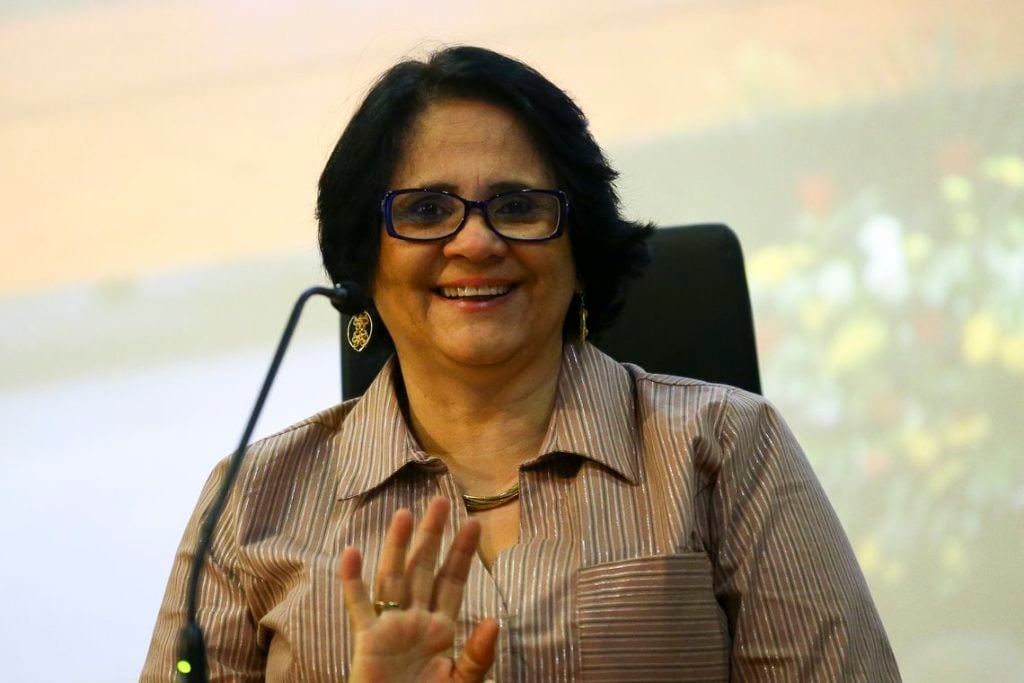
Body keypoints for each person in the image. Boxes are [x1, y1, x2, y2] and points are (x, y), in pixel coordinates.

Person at [143, 46, 900, 681]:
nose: (476, 242)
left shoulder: (729, 449)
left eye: (518, 206)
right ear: (362, 264)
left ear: (580, 250)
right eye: (427, 210)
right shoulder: (252, 504)